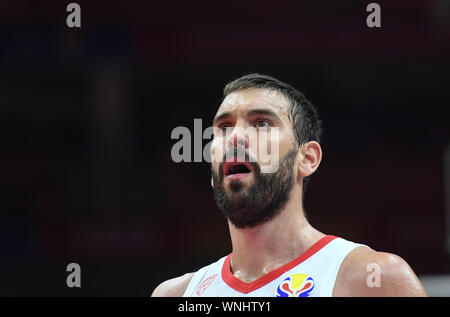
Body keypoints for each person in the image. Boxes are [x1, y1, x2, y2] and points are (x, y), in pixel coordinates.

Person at [152, 73, 427, 297]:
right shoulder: (176, 294)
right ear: (214, 174)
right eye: (224, 128)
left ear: (307, 159)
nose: (235, 138)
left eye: (261, 123)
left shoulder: (372, 280)